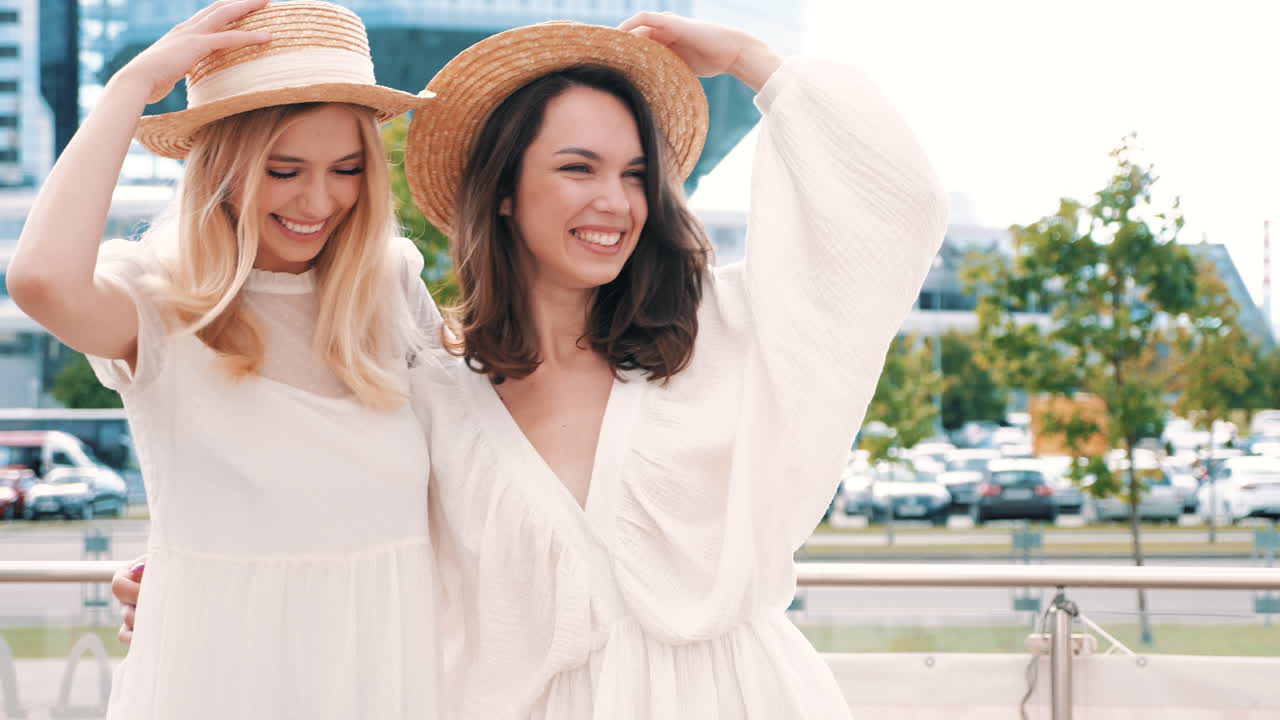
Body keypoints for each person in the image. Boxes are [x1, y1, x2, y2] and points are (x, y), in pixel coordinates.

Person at [403, 14, 949, 719]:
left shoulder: (719, 332)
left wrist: (750, 59)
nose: (616, 201)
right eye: (578, 167)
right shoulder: (435, 393)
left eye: (636, 175)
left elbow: (898, 208)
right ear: (503, 190)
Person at [9, 1, 439, 718]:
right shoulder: (158, 301)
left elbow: (472, 467)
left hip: (387, 674)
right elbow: (42, 281)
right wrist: (132, 87)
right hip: (218, 677)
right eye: (283, 168)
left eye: (347, 168)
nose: (318, 198)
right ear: (225, 166)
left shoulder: (390, 282)